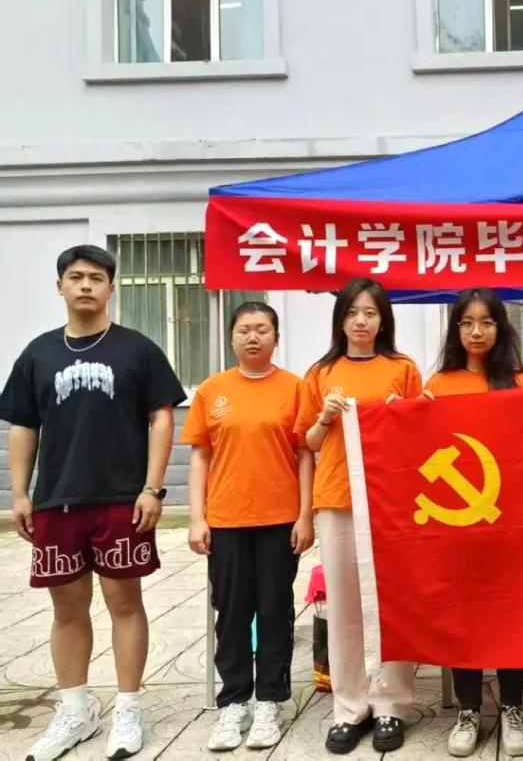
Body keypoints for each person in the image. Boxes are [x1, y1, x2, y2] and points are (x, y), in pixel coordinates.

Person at [0, 244, 185, 761]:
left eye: (96, 278)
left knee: (125, 603)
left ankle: (128, 707)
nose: (86, 285)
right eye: (76, 277)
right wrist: (20, 492)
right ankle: (75, 710)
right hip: (57, 499)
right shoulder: (38, 353)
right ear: (60, 286)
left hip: (122, 500)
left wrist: (152, 488)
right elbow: (23, 425)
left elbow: (161, 417)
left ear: (111, 288)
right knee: (66, 608)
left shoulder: (137, 350)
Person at [295, 278, 423, 755]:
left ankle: (391, 704)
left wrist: (404, 413)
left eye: (371, 312)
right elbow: (307, 442)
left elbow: (421, 432)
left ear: (383, 319)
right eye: (353, 313)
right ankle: (350, 707)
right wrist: (325, 417)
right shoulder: (321, 372)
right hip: (338, 499)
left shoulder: (403, 369)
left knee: (391, 602)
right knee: (345, 606)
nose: (362, 321)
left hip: (391, 502)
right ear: (341, 320)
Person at [181, 301, 314, 752]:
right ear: (232, 337)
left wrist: (305, 514)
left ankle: (270, 700)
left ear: (276, 337)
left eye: (261, 329)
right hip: (226, 519)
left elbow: (305, 455)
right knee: (233, 612)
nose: (252, 337)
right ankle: (234, 701)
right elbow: (200, 456)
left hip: (280, 519)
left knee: (275, 610)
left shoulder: (295, 388)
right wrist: (197, 517)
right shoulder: (212, 390)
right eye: (244, 330)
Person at [422, 288, 523, 758]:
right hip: (457, 525)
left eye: (486, 322)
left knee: (511, 613)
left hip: (511, 521)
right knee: (462, 614)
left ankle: (512, 706)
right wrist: (403, 412)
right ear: (455, 330)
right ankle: (468, 709)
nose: (476, 331)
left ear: (500, 327)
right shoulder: (438, 386)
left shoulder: (522, 383)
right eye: (466, 322)